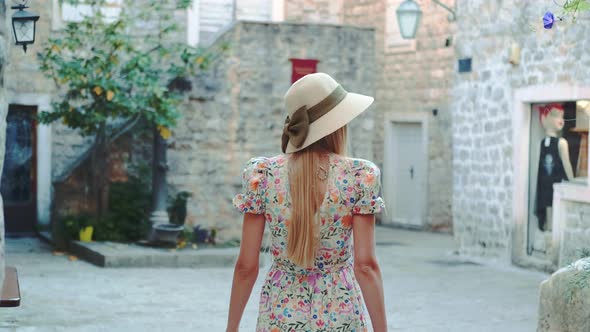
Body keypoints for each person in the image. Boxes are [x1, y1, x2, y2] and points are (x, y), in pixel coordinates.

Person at [226, 73, 387, 332]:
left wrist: (231, 328)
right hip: (340, 312)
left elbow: (246, 266)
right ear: (337, 125)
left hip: (280, 313)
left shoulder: (262, 175)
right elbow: (366, 266)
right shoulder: (360, 176)